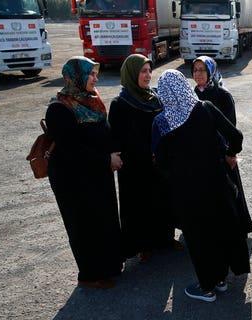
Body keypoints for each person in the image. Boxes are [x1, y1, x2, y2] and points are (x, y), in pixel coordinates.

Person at [151, 70, 249, 302]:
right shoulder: (205, 107)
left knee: (198, 236)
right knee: (219, 228)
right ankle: (221, 279)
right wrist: (228, 153)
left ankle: (206, 287)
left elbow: (159, 159)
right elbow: (235, 135)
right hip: (216, 181)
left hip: (186, 190)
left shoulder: (161, 122)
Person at [46, 56, 123, 289]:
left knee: (105, 217)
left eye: (95, 73)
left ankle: (109, 265)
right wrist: (105, 158)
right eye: (90, 74)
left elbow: (103, 131)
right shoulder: (59, 108)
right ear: (75, 77)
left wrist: (113, 152)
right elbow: (72, 150)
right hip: (74, 179)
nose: (95, 78)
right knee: (84, 224)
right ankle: (89, 275)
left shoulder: (91, 99)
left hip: (98, 173)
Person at [108, 54, 180, 264]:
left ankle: (165, 239)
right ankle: (142, 246)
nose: (148, 75)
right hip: (134, 167)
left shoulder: (155, 99)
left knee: (162, 201)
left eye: (149, 70)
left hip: (158, 162)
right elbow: (115, 137)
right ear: (131, 74)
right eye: (142, 71)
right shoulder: (120, 103)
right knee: (138, 206)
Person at [191, 55, 252, 239]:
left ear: (211, 71)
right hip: (202, 154)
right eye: (195, 70)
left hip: (222, 153)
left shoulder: (222, 95)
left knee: (229, 191)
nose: (198, 74)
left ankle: (236, 227)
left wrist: (229, 152)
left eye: (202, 69)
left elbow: (230, 126)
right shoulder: (191, 94)